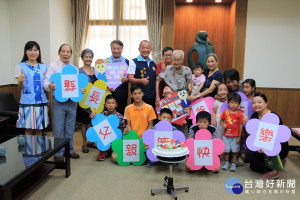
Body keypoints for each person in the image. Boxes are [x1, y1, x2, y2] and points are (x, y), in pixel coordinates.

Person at [43, 44, 81, 162]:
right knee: (58, 128)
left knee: (70, 127)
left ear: (71, 54)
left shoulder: (74, 68)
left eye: (68, 52)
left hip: (72, 102)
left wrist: (81, 89)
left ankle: (69, 150)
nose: (65, 54)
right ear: (59, 52)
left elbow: (78, 84)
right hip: (59, 102)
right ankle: (58, 152)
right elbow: (46, 82)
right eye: (63, 51)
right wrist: (50, 85)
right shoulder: (53, 66)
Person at [246, 92, 289, 179]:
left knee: (251, 156)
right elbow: (251, 135)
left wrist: (265, 147)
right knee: (253, 167)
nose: (256, 105)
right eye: (254, 103)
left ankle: (274, 170)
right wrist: (247, 124)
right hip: (262, 145)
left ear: (266, 103)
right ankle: (278, 162)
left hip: (276, 146)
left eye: (259, 102)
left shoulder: (273, 116)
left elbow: (278, 137)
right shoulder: (254, 116)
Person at [15, 41, 49, 135]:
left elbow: (46, 85)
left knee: (39, 129)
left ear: (39, 52)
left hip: (41, 101)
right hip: (27, 102)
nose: (33, 53)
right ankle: (29, 149)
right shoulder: (20, 66)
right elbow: (20, 86)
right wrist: (21, 80)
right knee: (28, 129)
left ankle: (39, 149)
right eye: (30, 50)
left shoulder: (44, 67)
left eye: (35, 50)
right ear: (26, 52)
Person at [76, 49, 98, 153]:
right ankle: (84, 143)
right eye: (86, 57)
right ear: (82, 58)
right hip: (83, 101)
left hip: (96, 100)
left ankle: (92, 141)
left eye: (90, 57)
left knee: (94, 122)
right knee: (84, 123)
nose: (88, 59)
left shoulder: (97, 70)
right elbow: (75, 86)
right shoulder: (78, 71)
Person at [95, 94, 127, 161]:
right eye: (108, 103)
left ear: (116, 105)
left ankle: (111, 150)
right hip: (105, 138)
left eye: (112, 103)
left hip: (116, 139)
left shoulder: (120, 117)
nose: (110, 105)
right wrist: (94, 117)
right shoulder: (102, 115)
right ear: (105, 105)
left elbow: (123, 131)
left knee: (115, 158)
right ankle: (103, 151)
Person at [128, 40, 157, 110]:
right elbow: (130, 78)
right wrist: (141, 81)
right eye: (143, 48)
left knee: (150, 118)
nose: (145, 50)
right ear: (139, 49)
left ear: (150, 49)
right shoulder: (133, 62)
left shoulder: (153, 63)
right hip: (138, 97)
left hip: (152, 96)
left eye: (147, 48)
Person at [220, 92, 243, 172]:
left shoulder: (240, 114)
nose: (233, 105)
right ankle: (226, 164)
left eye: (236, 103)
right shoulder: (225, 112)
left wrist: (239, 137)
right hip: (226, 136)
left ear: (239, 104)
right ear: (228, 103)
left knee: (234, 151)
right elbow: (221, 121)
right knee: (226, 151)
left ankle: (233, 164)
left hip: (235, 136)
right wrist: (223, 125)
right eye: (231, 102)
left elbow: (240, 126)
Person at [106, 40, 129, 115]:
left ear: (122, 49)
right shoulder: (105, 62)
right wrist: (106, 88)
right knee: (108, 117)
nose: (116, 51)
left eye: (118, 49)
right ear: (111, 49)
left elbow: (131, 77)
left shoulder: (127, 62)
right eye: (114, 48)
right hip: (109, 94)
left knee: (121, 115)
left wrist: (127, 79)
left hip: (122, 94)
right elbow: (101, 78)